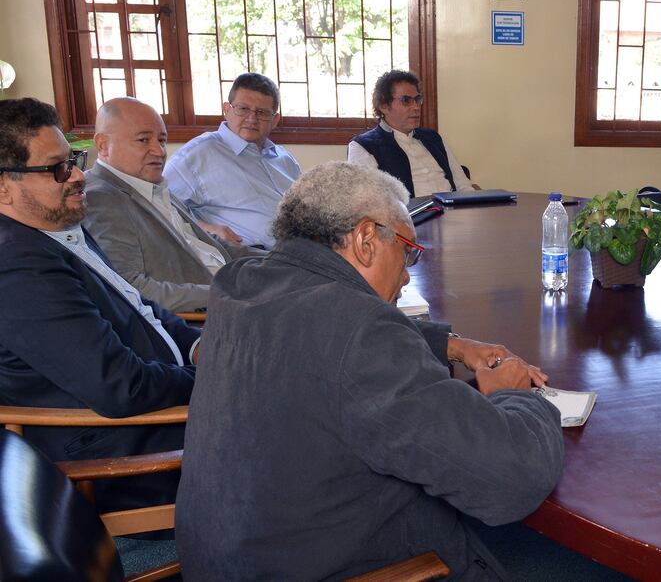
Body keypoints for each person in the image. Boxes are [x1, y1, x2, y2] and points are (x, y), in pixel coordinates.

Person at [176, 162, 563, 580]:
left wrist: (447, 344)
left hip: (221, 558)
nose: (406, 272)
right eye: (406, 249)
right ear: (365, 240)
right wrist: (513, 394)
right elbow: (513, 480)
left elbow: (315, 344)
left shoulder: (240, 282)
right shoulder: (361, 332)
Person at [0, 98, 198, 511]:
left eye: (73, 159)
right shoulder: (16, 266)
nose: (76, 175)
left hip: (160, 403)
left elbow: (141, 309)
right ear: (4, 185)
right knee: (306, 430)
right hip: (121, 453)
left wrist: (199, 345)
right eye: (57, 169)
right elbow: (118, 386)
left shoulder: (56, 222)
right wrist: (212, 376)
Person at [82, 97, 262, 312]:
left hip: (235, 283)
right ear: (103, 145)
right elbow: (130, 287)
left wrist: (281, 260)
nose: (159, 151)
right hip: (212, 313)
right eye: (143, 140)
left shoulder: (151, 184)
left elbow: (204, 244)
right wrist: (230, 293)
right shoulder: (101, 198)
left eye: (161, 140)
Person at [163, 72, 301, 248]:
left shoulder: (285, 160)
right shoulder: (198, 155)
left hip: (306, 254)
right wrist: (204, 229)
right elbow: (159, 207)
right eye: (243, 109)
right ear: (227, 110)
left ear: (275, 120)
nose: (252, 119)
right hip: (254, 260)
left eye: (262, 112)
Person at [347, 69, 476, 197]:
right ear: (383, 106)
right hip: (410, 216)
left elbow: (462, 184)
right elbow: (370, 201)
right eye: (406, 100)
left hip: (453, 211)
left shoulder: (432, 137)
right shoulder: (363, 147)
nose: (416, 107)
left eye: (417, 99)